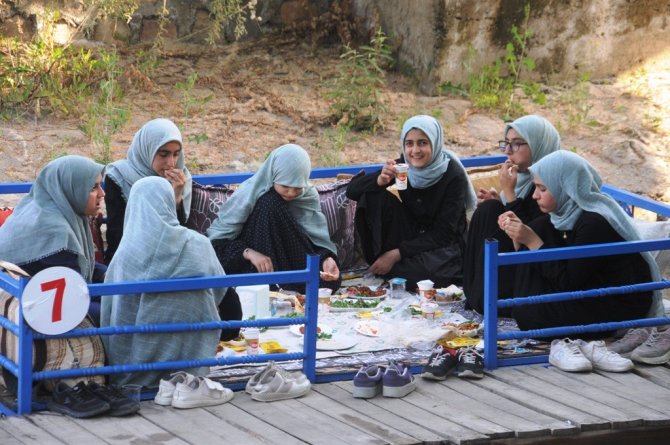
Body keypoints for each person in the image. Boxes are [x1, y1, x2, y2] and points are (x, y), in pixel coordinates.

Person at [499, 150, 663, 332]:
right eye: (535, 187)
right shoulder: (564, 215)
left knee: (531, 314)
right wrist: (519, 237)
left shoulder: (593, 223)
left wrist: (531, 242)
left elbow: (569, 281)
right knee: (538, 227)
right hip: (589, 289)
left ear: (566, 187)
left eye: (542, 188)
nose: (535, 195)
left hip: (619, 301)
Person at [101, 176, 229, 388]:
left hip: (137, 363)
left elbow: (113, 309)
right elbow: (220, 291)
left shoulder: (125, 256)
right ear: (169, 203)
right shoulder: (198, 243)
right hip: (192, 355)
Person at [345, 115, 476, 290]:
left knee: (421, 275)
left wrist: (396, 254)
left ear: (435, 143)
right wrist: (380, 180)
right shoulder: (403, 168)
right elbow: (352, 191)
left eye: (422, 143)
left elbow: (444, 234)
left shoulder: (452, 175)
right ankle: (379, 260)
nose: (415, 150)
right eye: (409, 143)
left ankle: (390, 265)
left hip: (444, 244)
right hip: (412, 232)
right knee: (372, 195)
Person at [207, 144, 341, 293]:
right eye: (285, 186)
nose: (291, 193)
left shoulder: (308, 196)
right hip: (256, 261)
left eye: (298, 187)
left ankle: (284, 284)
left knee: (329, 281)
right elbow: (217, 244)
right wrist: (249, 253)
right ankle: (275, 283)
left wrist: (325, 259)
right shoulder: (249, 194)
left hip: (290, 258)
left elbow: (310, 241)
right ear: (273, 175)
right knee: (269, 202)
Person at [463, 114, 561, 313]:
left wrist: (509, 192)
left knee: (491, 211)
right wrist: (500, 201)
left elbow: (531, 232)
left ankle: (493, 299)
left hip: (533, 271)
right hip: (516, 260)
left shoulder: (553, 181)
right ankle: (475, 293)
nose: (508, 151)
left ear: (538, 145)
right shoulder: (524, 178)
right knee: (488, 210)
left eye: (516, 144)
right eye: (506, 143)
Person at [0, 155, 107, 322]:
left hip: (28, 300)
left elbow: (83, 266)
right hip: (30, 312)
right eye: (93, 188)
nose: (102, 193)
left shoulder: (37, 208)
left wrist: (112, 275)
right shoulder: (55, 232)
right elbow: (74, 296)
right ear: (71, 189)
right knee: (122, 315)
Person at [103, 118, 192, 264]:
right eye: (163, 154)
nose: (171, 163)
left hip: (169, 257)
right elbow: (117, 234)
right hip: (129, 258)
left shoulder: (181, 179)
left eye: (176, 154)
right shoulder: (120, 177)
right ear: (147, 149)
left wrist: (176, 197)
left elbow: (180, 235)